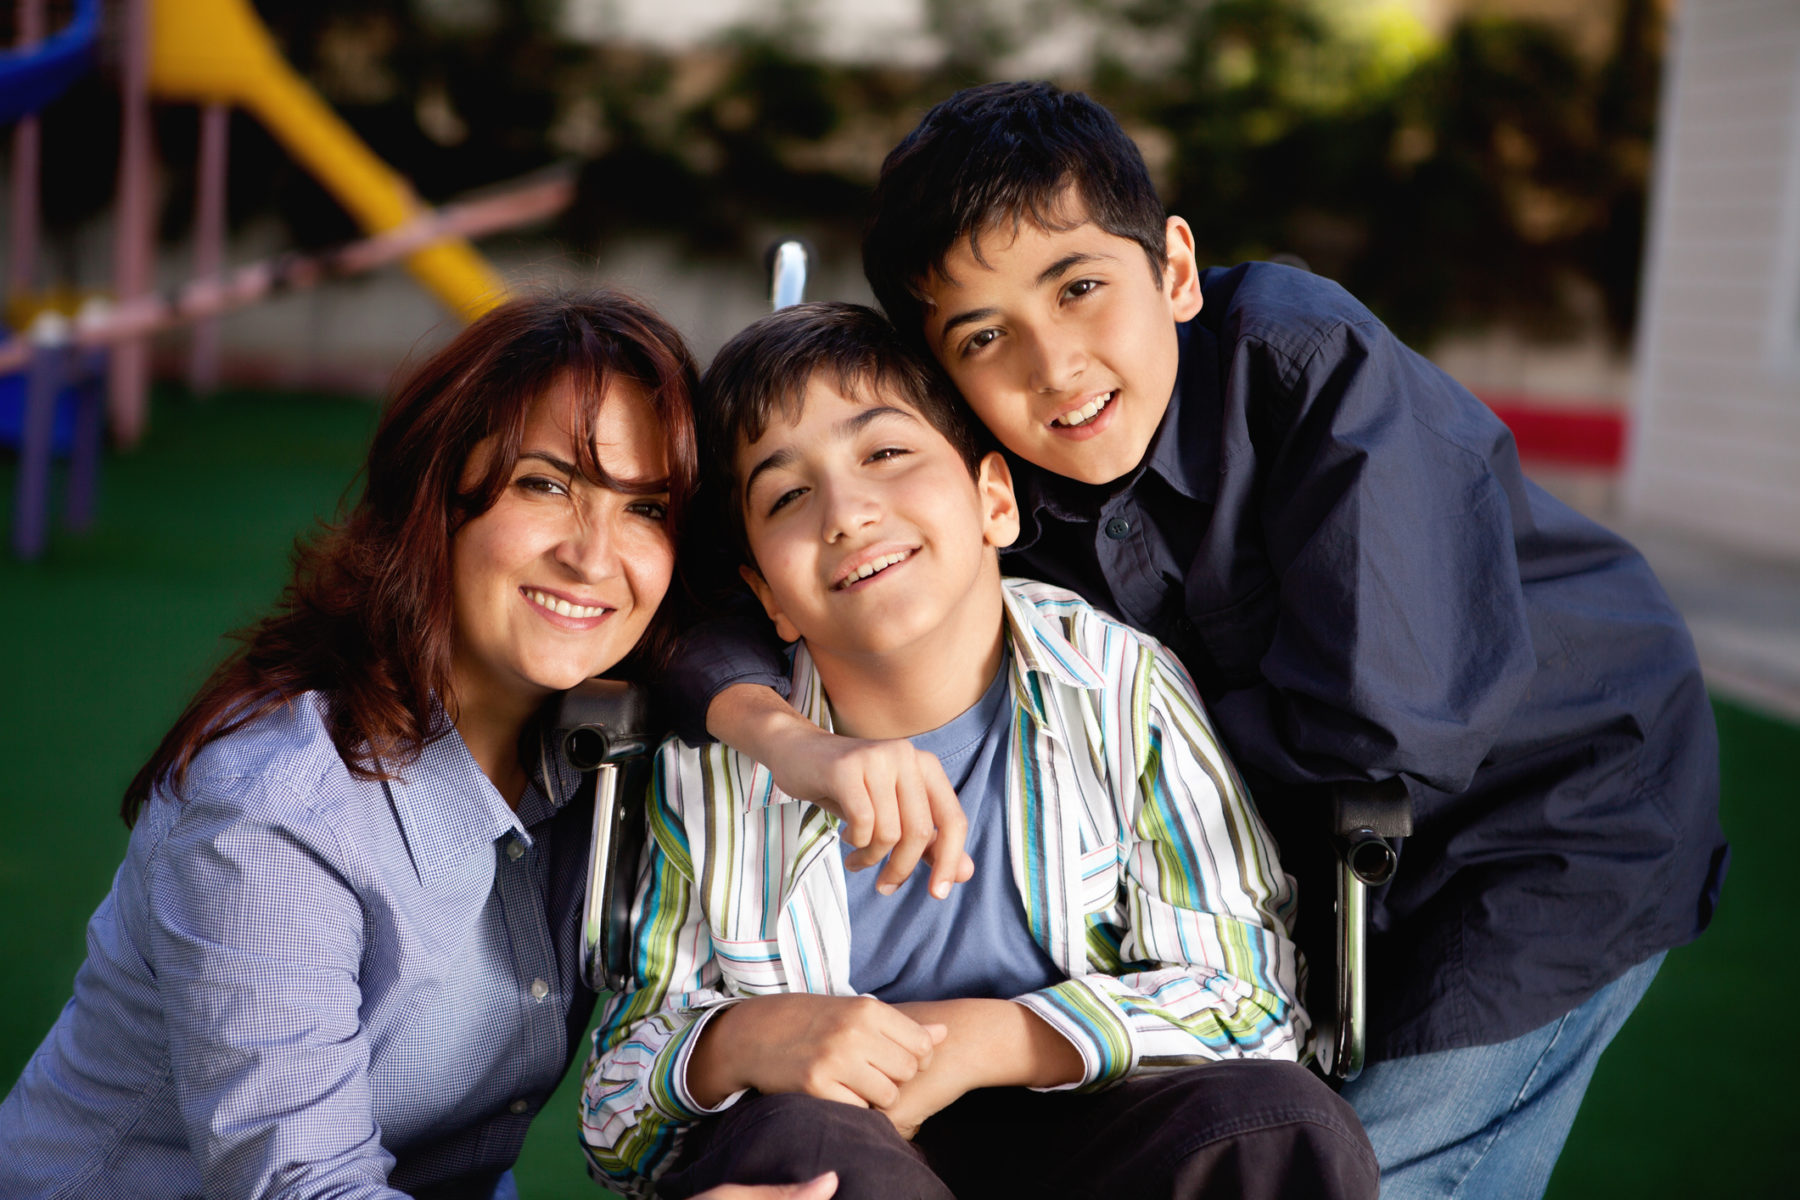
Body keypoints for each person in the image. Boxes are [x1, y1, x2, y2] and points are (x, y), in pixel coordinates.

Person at [667, 83, 1730, 1199]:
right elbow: (728, 624)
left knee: (1376, 1167)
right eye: (985, 336)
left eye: (1081, 288)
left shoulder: (1307, 363)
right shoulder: (988, 473)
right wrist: (786, 736)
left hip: (1552, 807)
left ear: (1174, 270)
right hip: (1321, 860)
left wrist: (1123, 716)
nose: (1054, 365)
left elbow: (1385, 729)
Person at [581, 302, 1378, 1200]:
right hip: (861, 1152)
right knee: (802, 1138)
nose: (846, 513)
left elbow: (1253, 1005)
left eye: (886, 454)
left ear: (994, 500)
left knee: (1279, 1126)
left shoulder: (1119, 686)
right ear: (769, 597)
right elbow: (615, 1119)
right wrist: (742, 1041)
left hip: (1093, 1135)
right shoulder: (718, 767)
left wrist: (978, 1040)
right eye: (788, 495)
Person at [0, 291, 704, 1200]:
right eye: (546, 484)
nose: (594, 555)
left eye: (646, 507)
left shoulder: (599, 751)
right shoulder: (277, 807)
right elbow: (309, 1190)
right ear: (436, 500)